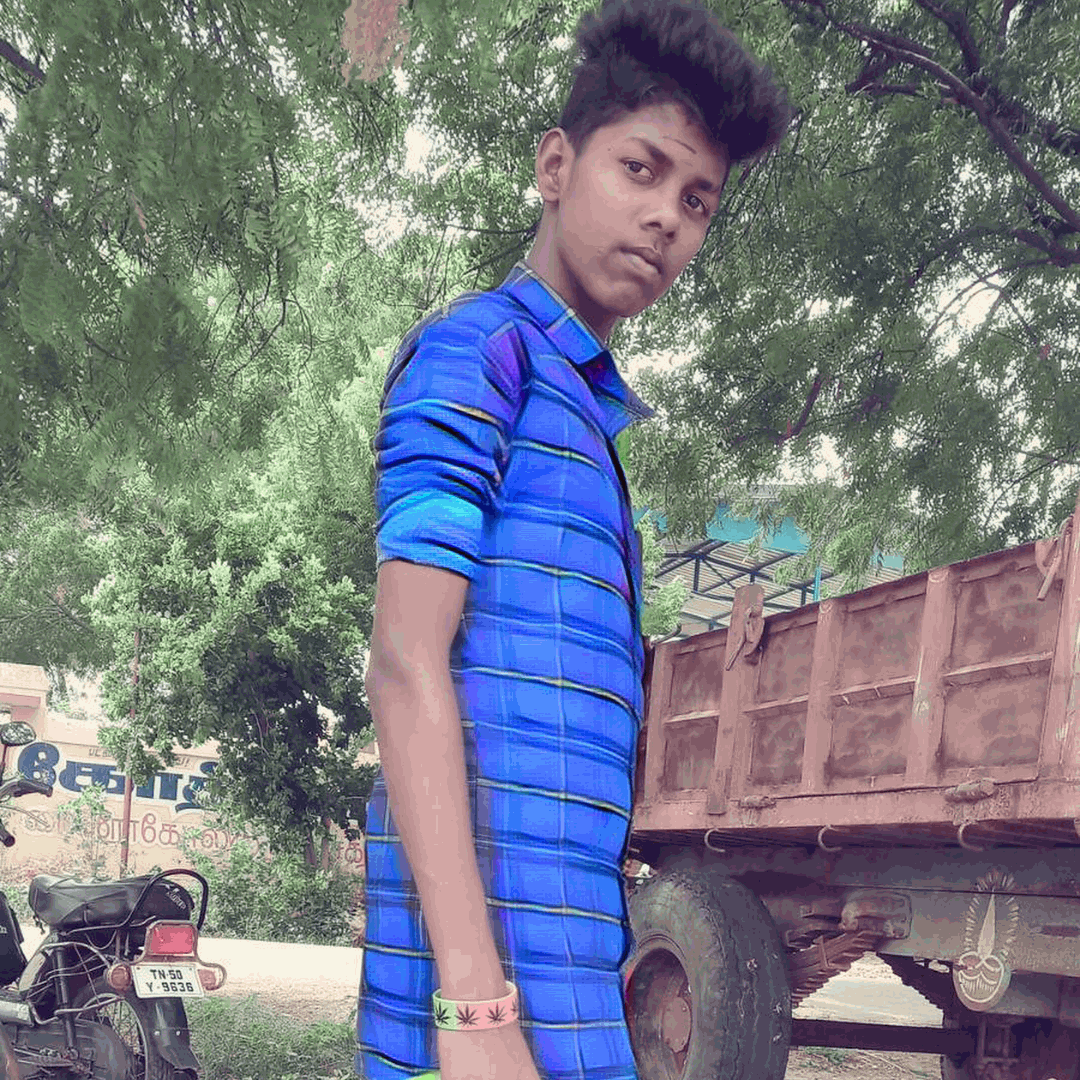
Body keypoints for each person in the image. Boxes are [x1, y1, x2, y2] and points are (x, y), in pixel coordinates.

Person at [355, 3, 790, 1079]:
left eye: (696, 200)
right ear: (556, 165)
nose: (667, 219)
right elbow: (404, 662)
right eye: (641, 169)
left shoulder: (586, 419)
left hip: (571, 976)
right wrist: (474, 1006)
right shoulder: (480, 356)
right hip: (480, 1003)